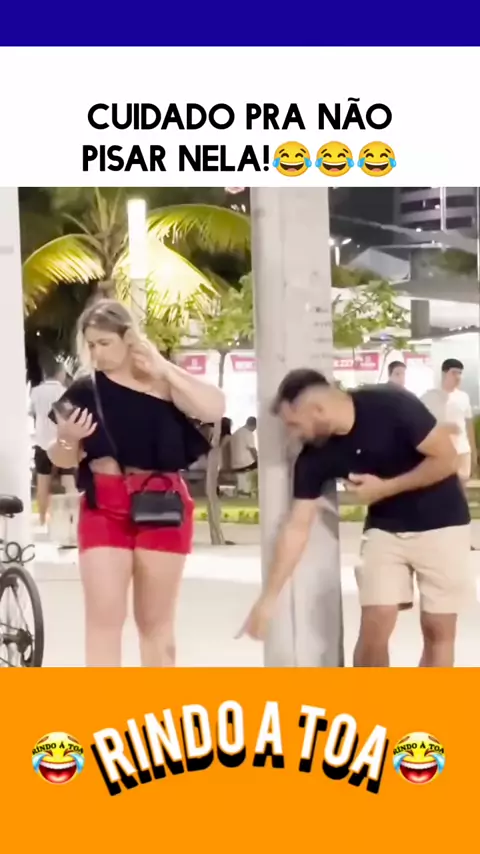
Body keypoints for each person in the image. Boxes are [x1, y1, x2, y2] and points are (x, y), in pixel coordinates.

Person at [238, 369, 472, 668]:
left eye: (294, 424)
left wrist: (385, 488)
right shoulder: (314, 457)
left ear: (317, 409)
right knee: (376, 620)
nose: (294, 435)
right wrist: (267, 600)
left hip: (443, 523)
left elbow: (447, 458)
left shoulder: (391, 404)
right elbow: (297, 526)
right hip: (385, 529)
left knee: (437, 628)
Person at [47, 299, 225, 668]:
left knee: (155, 623)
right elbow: (62, 459)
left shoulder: (163, 384)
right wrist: (66, 439)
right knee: (103, 620)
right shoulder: (84, 391)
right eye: (91, 345)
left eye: (105, 343)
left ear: (128, 338)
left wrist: (163, 366)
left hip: (161, 501)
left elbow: (214, 407)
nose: (97, 353)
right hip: (104, 503)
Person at [30, 362, 77, 526]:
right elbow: (70, 416)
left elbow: (32, 412)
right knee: (68, 481)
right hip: (62, 442)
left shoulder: (35, 392)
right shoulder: (65, 391)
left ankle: (43, 519)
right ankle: (74, 517)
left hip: (42, 442)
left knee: (43, 482)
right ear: (60, 373)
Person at [421, 359, 477, 485]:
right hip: (438, 453)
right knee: (439, 488)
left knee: (461, 489)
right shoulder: (429, 397)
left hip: (462, 452)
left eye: (460, 373)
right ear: (444, 374)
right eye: (454, 373)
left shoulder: (464, 397)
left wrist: (473, 452)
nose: (458, 377)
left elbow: (468, 425)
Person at [230, 416, 257, 494]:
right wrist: (258, 460)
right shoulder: (248, 433)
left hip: (234, 463)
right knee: (262, 467)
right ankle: (255, 490)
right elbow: (253, 450)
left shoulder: (236, 433)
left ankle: (243, 489)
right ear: (253, 425)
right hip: (245, 464)